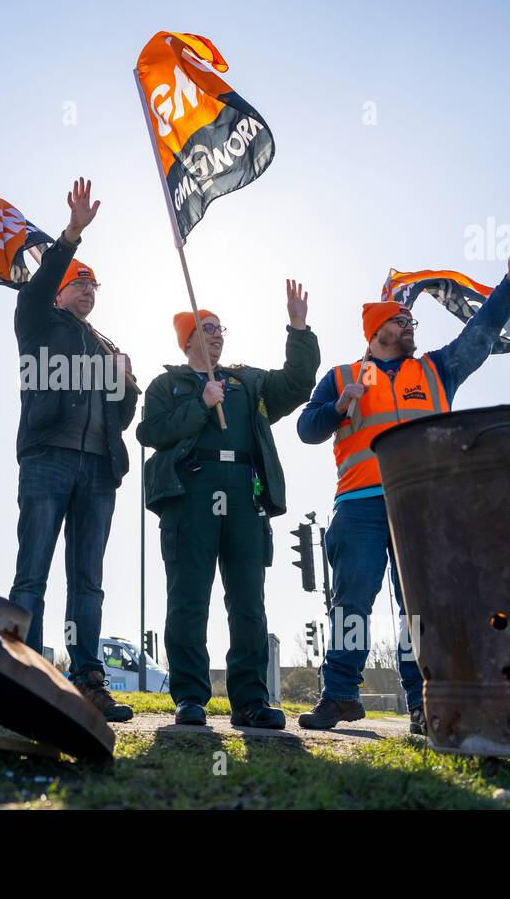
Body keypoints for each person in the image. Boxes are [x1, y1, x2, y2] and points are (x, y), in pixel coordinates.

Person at [296, 232, 510, 733]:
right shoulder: (342, 376)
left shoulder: (437, 370)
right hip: (360, 506)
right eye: (404, 321)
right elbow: (306, 429)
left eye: (412, 322)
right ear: (378, 328)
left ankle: (423, 705)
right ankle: (340, 695)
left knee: (420, 610)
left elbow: (481, 334)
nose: (412, 326)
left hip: (425, 506)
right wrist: (342, 405)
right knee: (352, 601)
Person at [136, 281, 320, 728]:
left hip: (244, 494)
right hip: (189, 495)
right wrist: (200, 404)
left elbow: (297, 384)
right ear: (189, 339)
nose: (218, 335)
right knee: (188, 599)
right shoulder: (167, 384)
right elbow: (151, 434)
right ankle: (190, 697)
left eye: (221, 329)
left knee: (248, 602)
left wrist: (298, 329)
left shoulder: (247, 382)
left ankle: (250, 701)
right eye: (209, 328)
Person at [7, 178, 138, 722]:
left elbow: (121, 419)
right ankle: (25, 674)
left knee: (88, 580)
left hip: (99, 471)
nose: (86, 291)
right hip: (47, 460)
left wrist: (127, 385)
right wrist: (71, 236)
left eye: (92, 287)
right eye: (77, 284)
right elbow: (34, 289)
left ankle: (87, 679)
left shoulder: (106, 345)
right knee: (32, 571)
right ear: (58, 291)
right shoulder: (38, 321)